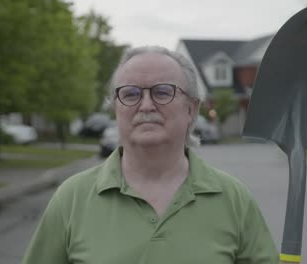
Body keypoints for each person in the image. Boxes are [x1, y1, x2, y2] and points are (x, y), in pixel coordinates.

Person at [22, 46, 279, 264]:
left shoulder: (234, 199)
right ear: (115, 109)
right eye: (131, 94)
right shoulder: (72, 199)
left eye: (163, 92)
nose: (146, 105)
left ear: (191, 109)